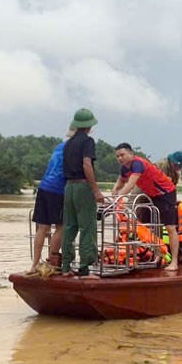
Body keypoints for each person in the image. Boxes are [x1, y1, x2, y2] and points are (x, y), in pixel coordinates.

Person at [110, 143, 180, 271]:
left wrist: (118, 197)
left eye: (122, 155)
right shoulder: (125, 168)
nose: (120, 158)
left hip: (166, 193)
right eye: (118, 156)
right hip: (151, 194)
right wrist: (114, 191)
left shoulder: (137, 164)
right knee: (152, 226)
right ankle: (158, 255)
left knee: (170, 227)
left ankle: (174, 261)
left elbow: (131, 184)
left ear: (131, 154)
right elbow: (121, 180)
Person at [61, 109, 105, 277]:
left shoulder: (68, 143)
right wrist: (96, 190)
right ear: (89, 125)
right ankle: (85, 268)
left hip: (69, 187)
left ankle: (66, 267)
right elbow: (87, 164)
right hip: (82, 187)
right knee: (87, 227)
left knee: (69, 226)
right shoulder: (88, 142)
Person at [28, 131, 70, 274]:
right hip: (58, 190)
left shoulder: (59, 147)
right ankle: (51, 263)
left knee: (42, 228)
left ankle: (34, 264)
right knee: (61, 226)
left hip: (44, 187)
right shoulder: (73, 150)